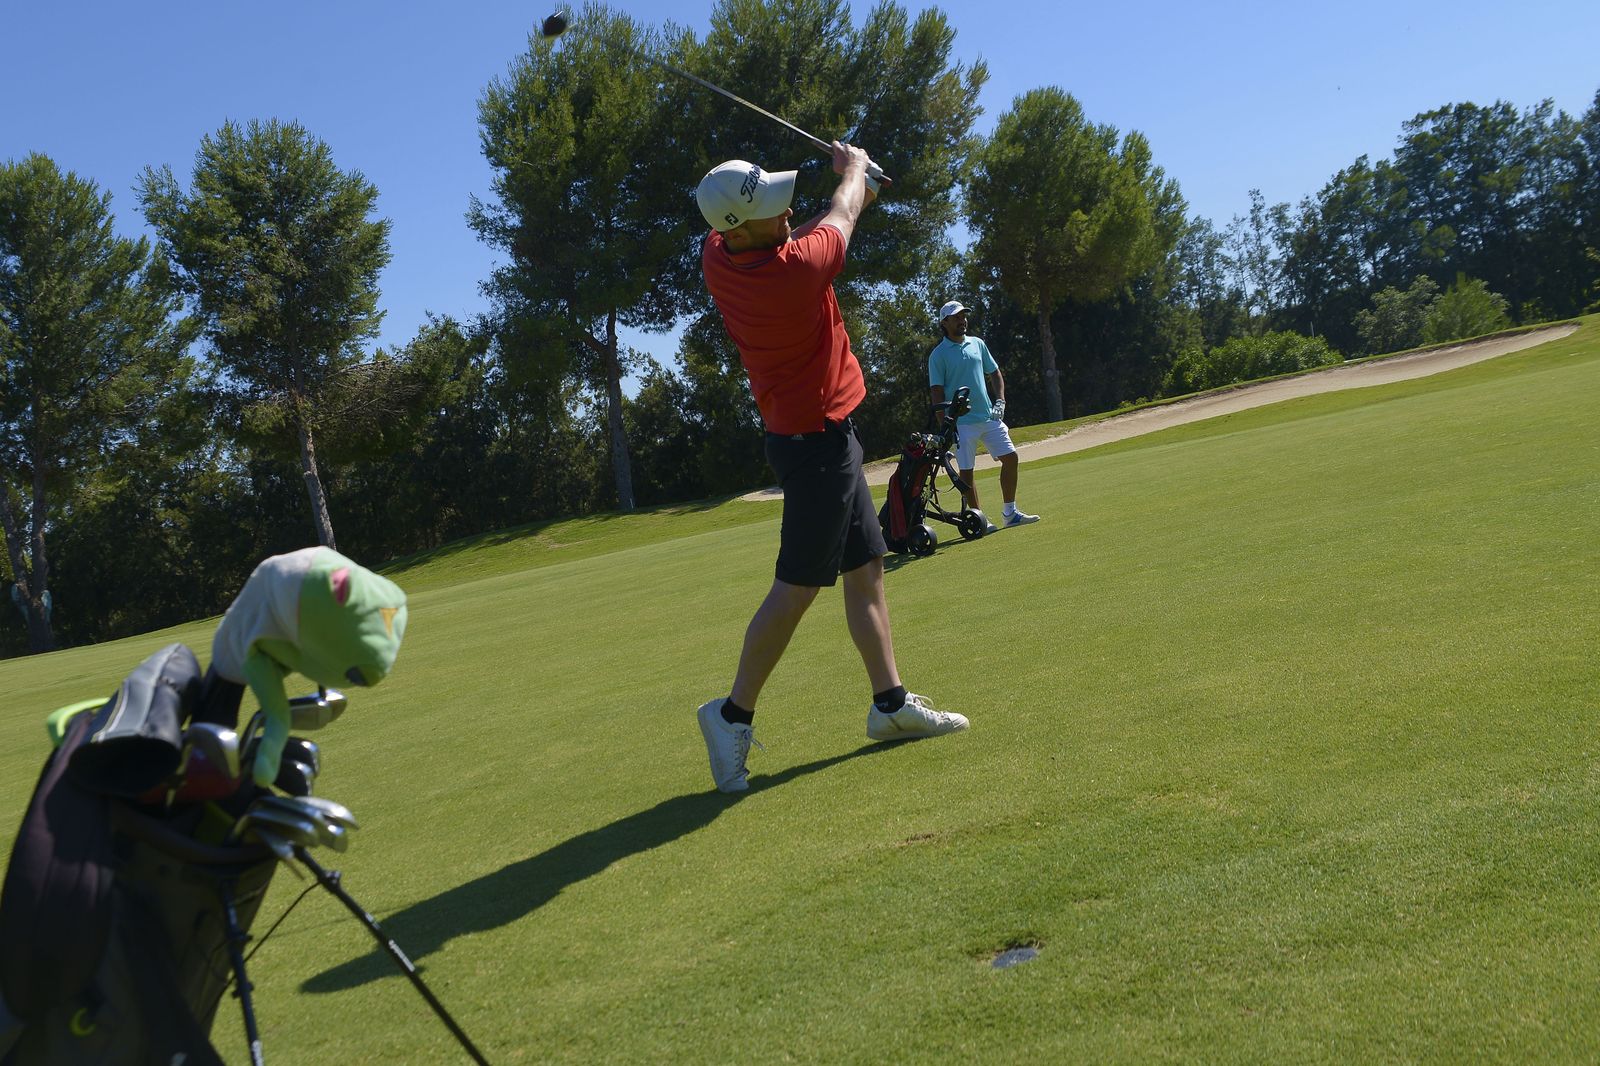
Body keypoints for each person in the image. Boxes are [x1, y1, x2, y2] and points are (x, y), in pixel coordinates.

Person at [693, 144, 968, 793]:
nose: (785, 212)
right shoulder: (794, 269)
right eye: (769, 210)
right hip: (813, 442)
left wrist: (857, 182)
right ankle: (731, 716)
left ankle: (890, 705)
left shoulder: (716, 255)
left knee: (866, 570)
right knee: (798, 586)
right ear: (740, 228)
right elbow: (841, 214)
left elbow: (830, 214)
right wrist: (857, 170)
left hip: (821, 436)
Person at [927, 302, 1040, 531]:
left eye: (963, 316)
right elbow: (936, 392)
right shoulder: (938, 355)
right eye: (956, 317)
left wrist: (1000, 400)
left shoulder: (977, 344)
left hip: (989, 416)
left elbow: (995, 372)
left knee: (1011, 458)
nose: (962, 320)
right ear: (944, 323)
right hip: (961, 422)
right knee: (967, 471)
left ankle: (1010, 513)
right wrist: (946, 425)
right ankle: (979, 520)